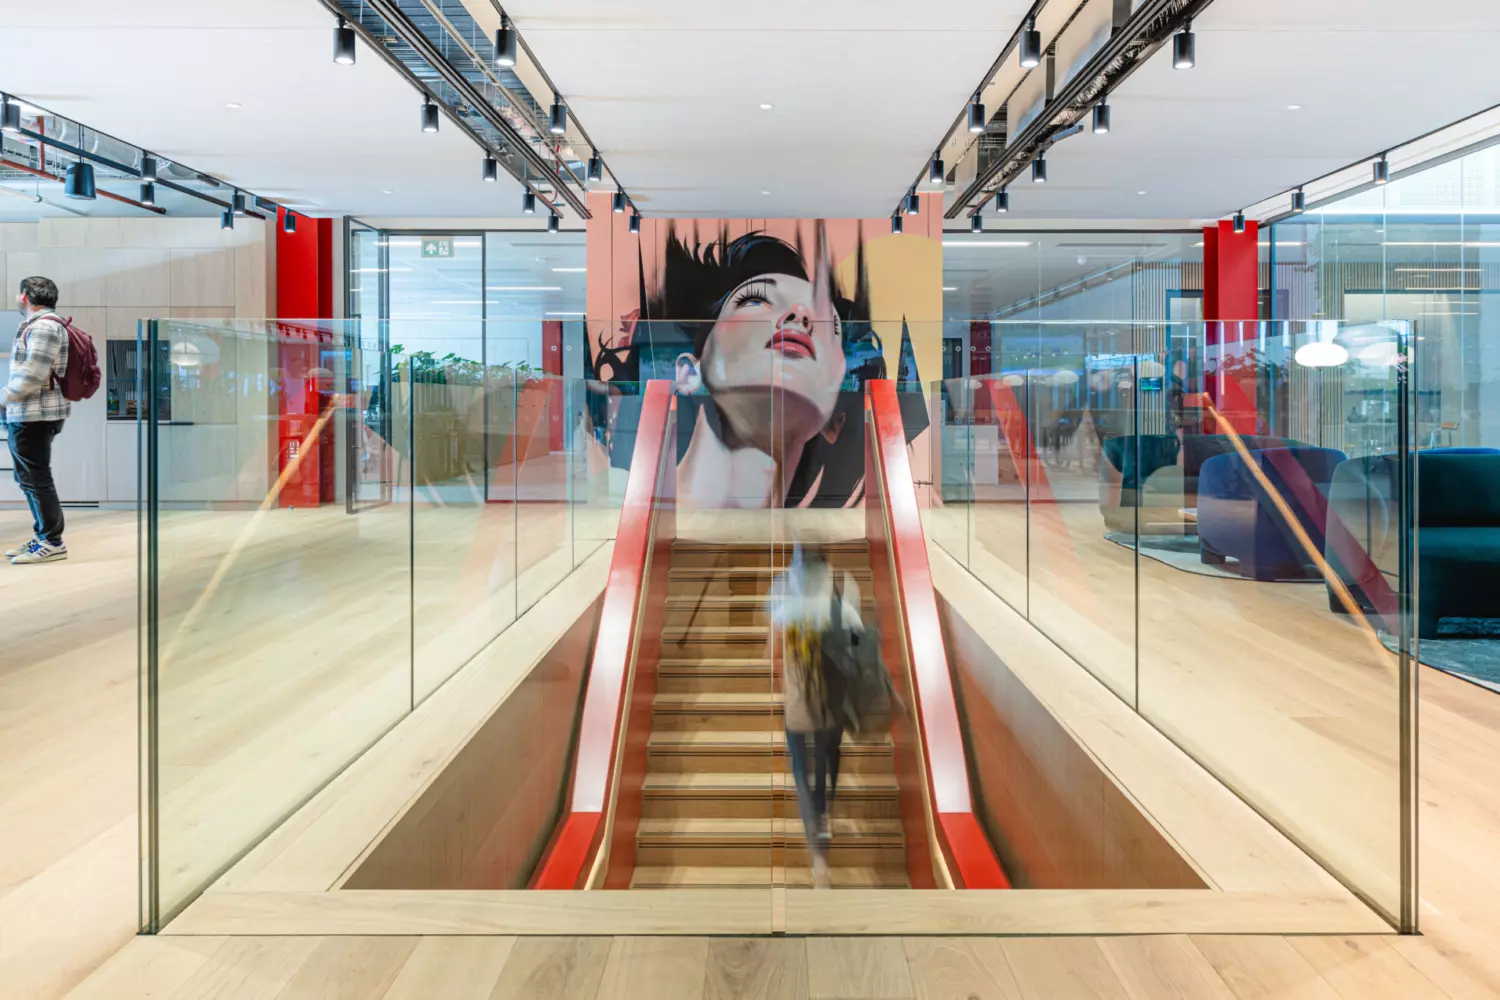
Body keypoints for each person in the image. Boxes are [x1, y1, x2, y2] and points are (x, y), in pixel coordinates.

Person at [767, 544, 861, 888]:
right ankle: (823, 817)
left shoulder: (784, 599)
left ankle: (817, 851)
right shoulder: (843, 590)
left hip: (797, 704)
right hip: (832, 703)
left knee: (801, 769)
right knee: (826, 761)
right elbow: (857, 647)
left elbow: (772, 655)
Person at [3, 277, 70, 564]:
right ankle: (44, 535)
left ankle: (52, 541)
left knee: (37, 479)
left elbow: (32, 375)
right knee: (29, 478)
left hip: (35, 415)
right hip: (29, 414)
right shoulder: (41, 325)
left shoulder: (44, 326)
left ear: (25, 297)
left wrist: (2, 397)